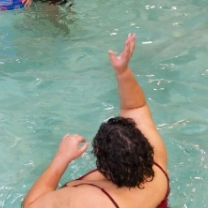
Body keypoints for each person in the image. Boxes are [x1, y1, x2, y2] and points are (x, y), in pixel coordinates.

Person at [22, 33, 170, 208]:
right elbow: (135, 108)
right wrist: (122, 72)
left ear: (104, 164)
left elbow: (30, 206)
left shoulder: (89, 201)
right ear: (146, 148)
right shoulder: (156, 167)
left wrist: (61, 158)